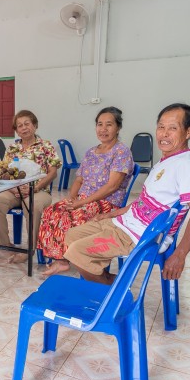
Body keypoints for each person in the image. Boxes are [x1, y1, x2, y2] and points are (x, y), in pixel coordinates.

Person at [63, 103, 190, 284]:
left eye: (173, 128)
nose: (164, 134)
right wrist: (111, 214)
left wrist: (180, 254)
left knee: (77, 251)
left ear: (188, 131)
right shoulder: (167, 161)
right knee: (71, 235)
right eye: (161, 127)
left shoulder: (187, 166)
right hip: (125, 223)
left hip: (140, 235)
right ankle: (110, 281)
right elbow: (146, 202)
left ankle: (112, 294)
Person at [40, 107, 134, 276]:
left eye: (109, 125)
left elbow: (112, 186)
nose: (103, 129)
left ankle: (76, 256)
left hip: (106, 203)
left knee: (72, 215)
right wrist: (71, 198)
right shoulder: (91, 152)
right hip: (83, 199)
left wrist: (80, 203)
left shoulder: (121, 152)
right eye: (99, 124)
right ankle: (61, 260)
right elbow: (79, 179)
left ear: (118, 127)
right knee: (52, 211)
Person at [0, 110, 60, 263]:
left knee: (31, 205)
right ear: (16, 130)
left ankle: (29, 250)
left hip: (39, 190)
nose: (23, 128)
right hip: (14, 190)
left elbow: (52, 173)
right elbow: (4, 172)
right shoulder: (12, 147)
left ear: (35, 125)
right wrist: (12, 188)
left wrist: (35, 188)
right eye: (19, 126)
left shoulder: (46, 145)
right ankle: (6, 246)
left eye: (27, 124)